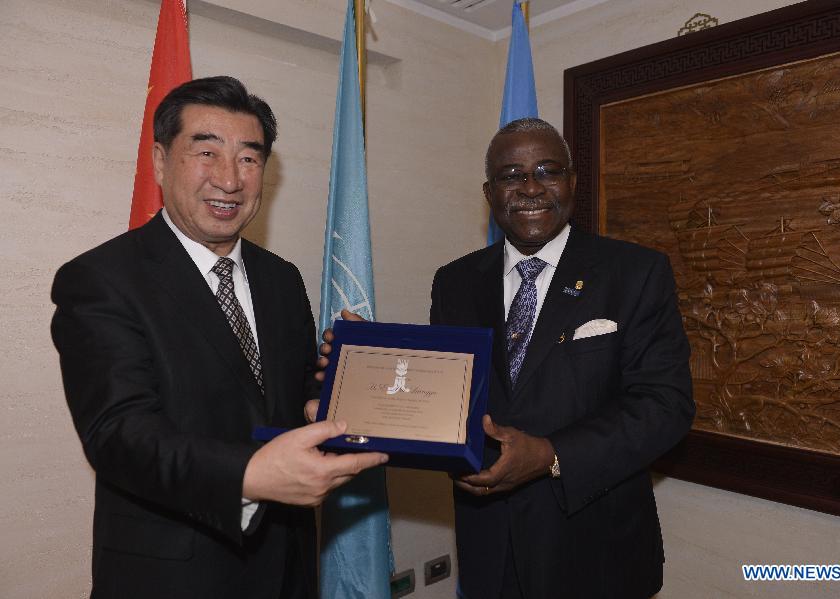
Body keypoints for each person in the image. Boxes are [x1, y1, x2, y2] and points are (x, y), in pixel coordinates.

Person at [50, 76, 387, 599]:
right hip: (174, 576)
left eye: (249, 159)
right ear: (161, 162)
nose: (229, 180)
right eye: (206, 152)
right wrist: (249, 475)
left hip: (286, 566)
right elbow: (120, 436)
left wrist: (339, 383)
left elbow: (283, 403)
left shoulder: (281, 278)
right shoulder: (101, 279)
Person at [430, 118, 695, 598]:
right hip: (490, 547)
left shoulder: (635, 272)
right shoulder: (454, 282)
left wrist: (552, 455)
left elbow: (665, 405)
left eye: (547, 171)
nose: (530, 187)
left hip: (596, 550)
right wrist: (376, 363)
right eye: (511, 175)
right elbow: (449, 397)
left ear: (572, 183)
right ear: (490, 192)